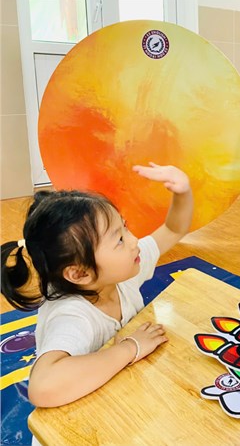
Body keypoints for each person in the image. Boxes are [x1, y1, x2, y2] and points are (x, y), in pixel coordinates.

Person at [0, 163, 194, 408]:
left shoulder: (118, 272)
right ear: (80, 273)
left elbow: (174, 229)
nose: (135, 241)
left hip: (120, 391)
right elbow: (43, 388)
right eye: (119, 239)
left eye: (125, 227)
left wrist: (182, 192)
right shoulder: (72, 315)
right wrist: (130, 348)